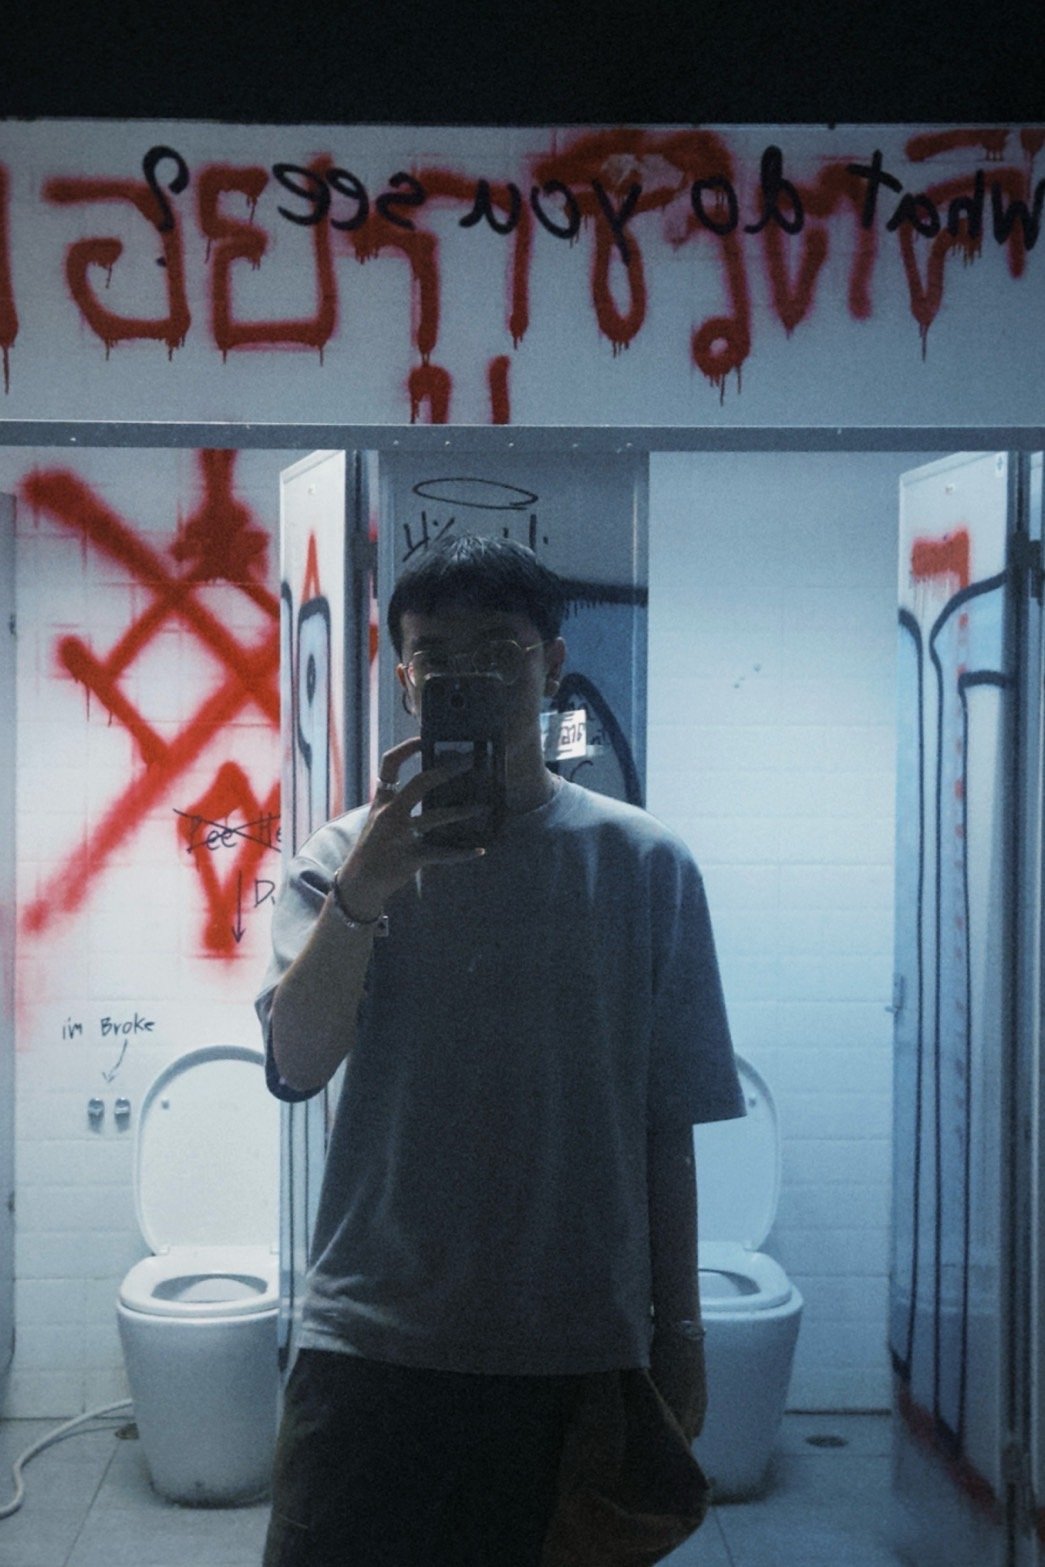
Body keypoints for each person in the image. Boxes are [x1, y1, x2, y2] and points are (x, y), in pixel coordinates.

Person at [256, 535, 745, 1567]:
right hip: (371, 1338)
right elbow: (296, 1064)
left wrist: (681, 1335)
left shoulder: (644, 864)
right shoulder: (339, 859)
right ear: (404, 679)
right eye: (436, 654)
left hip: (574, 1349)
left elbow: (667, 1121)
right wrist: (366, 891)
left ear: (551, 665)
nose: (465, 675)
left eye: (498, 650)